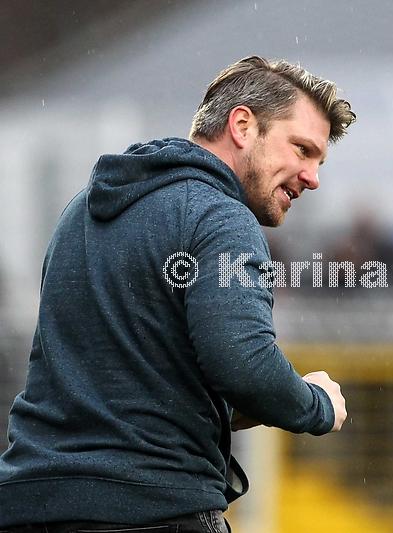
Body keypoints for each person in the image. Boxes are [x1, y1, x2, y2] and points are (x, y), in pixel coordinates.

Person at [0, 56, 355, 531]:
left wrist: (230, 407)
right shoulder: (221, 216)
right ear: (242, 126)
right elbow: (243, 364)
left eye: (318, 161)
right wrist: (316, 402)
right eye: (302, 149)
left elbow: (119, 382)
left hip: (30, 504)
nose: (312, 177)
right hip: (152, 507)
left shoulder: (81, 210)